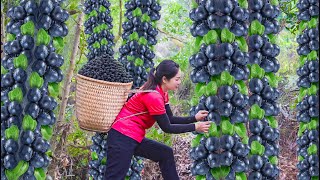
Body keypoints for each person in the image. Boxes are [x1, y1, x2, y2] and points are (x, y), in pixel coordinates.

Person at [104, 60, 211, 180]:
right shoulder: (153, 96)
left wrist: (194, 118)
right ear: (165, 79)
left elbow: (170, 118)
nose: (179, 82)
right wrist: (195, 127)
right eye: (177, 79)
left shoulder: (161, 92)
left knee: (165, 153)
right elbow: (167, 127)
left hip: (133, 136)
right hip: (122, 136)